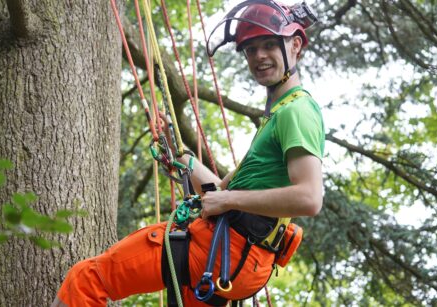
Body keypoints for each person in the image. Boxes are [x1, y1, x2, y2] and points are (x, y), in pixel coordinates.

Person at [51, 0, 324, 306]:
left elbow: (309, 198)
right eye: (250, 49)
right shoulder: (276, 117)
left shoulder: (297, 111)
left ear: (296, 45)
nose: (259, 56)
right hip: (236, 259)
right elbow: (216, 191)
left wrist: (228, 199)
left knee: (87, 280)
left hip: (224, 252)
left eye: (270, 44)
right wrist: (179, 153)